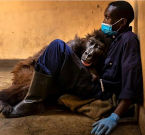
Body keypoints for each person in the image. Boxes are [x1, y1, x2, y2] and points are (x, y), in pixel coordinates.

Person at [3, 1, 143, 135]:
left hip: (97, 89)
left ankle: (32, 101)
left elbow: (130, 83)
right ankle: (29, 98)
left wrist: (114, 117)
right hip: (91, 81)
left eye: (107, 18)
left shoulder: (128, 40)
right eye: (104, 17)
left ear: (123, 22)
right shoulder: (113, 38)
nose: (104, 22)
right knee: (56, 53)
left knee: (57, 46)